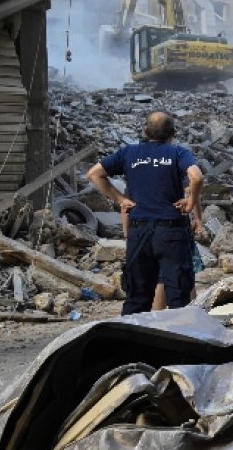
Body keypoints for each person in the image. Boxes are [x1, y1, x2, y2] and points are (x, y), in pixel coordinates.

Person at [86, 111, 203, 315]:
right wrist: (191, 202)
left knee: (137, 296)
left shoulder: (129, 153)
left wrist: (120, 199)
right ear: (173, 133)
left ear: (145, 131)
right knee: (178, 296)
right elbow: (196, 176)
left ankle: (131, 342)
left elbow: (94, 174)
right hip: (171, 233)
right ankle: (180, 342)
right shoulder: (177, 153)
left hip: (139, 231)